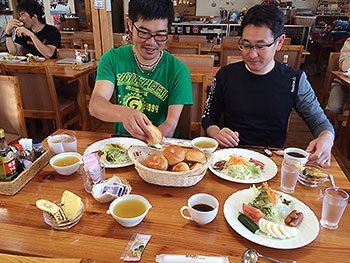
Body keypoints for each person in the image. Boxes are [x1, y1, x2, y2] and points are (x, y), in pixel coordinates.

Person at [202, 4, 334, 167]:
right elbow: (208, 117)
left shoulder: (295, 79)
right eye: (246, 44)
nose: (252, 54)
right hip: (229, 159)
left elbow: (320, 122)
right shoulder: (225, 75)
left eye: (260, 46)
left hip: (271, 161)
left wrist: (326, 138)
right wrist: (216, 132)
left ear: (279, 42)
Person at [89, 0, 193, 141]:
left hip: (160, 145)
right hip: (123, 143)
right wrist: (124, 113)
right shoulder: (112, 59)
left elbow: (169, 125)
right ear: (130, 25)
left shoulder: (178, 71)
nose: (151, 42)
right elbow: (96, 105)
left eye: (160, 35)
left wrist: (147, 145)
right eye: (144, 32)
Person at [326, 37, 350, 131]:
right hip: (343, 85)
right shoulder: (349, 41)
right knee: (333, 107)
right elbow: (344, 67)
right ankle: (336, 132)